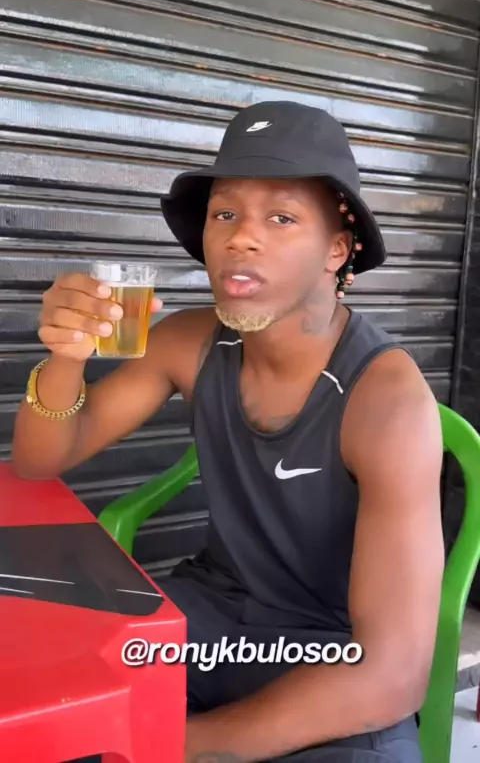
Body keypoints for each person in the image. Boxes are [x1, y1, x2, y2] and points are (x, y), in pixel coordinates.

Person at [12, 101, 444, 763]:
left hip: (330, 657)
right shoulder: (188, 341)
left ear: (336, 250)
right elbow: (42, 459)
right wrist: (66, 358)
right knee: (43, 694)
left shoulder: (387, 401)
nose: (242, 238)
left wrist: (172, 744)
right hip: (207, 623)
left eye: (281, 217)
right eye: (225, 214)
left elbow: (390, 675)